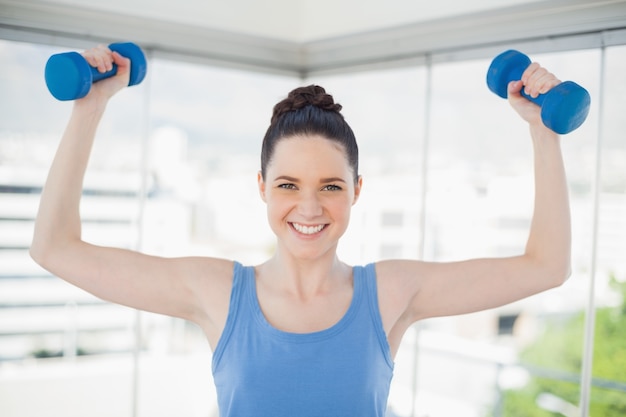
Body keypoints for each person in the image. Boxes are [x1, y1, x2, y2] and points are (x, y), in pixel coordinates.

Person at [30, 44, 571, 416]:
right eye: (288, 185)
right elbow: (55, 248)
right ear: (262, 187)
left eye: (331, 187)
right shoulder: (215, 291)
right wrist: (90, 107)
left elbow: (546, 266)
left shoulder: (391, 292)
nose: (308, 207)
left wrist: (544, 134)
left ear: (357, 191)